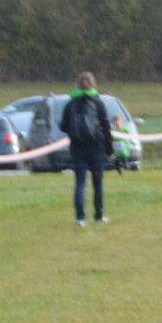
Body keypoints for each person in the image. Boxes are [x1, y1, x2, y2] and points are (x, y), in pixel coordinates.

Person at [58, 74, 117, 227]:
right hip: (97, 147)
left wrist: (73, 130)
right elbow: (106, 127)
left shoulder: (71, 103)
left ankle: (80, 218)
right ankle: (99, 215)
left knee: (80, 183)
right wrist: (109, 150)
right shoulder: (97, 102)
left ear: (77, 84)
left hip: (77, 148)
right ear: (93, 84)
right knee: (98, 183)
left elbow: (63, 126)